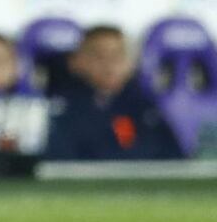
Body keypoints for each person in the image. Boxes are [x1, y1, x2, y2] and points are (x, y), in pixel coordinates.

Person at [47, 25, 182, 160]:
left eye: (117, 55)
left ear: (130, 63)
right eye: (99, 56)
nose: (109, 65)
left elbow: (174, 158)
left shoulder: (145, 108)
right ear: (76, 62)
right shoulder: (60, 108)